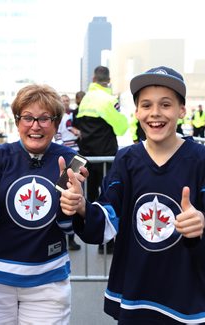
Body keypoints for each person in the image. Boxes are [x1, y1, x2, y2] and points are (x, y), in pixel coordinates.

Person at [59, 66, 205, 324]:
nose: (155, 113)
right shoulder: (127, 159)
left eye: (165, 104)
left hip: (186, 292)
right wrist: (83, 207)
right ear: (137, 112)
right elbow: (110, 214)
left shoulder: (202, 160)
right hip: (136, 289)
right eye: (146, 105)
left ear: (181, 110)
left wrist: (204, 224)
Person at [0, 84, 79, 324]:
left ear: (56, 123)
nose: (35, 125)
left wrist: (75, 204)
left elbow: (67, 226)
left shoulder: (71, 160)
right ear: (17, 121)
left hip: (48, 281)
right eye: (28, 118)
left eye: (45, 118)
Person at [76, 65, 128, 254]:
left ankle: (92, 234)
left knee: (89, 196)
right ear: (108, 79)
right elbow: (122, 128)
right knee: (109, 196)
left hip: (87, 157)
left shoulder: (86, 99)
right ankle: (107, 242)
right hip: (106, 156)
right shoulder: (109, 99)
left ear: (93, 78)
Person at [55, 95, 82, 251]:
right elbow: (60, 134)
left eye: (66, 101)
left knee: (72, 193)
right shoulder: (61, 118)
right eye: (62, 101)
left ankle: (70, 237)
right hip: (65, 153)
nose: (65, 103)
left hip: (74, 154)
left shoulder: (70, 115)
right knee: (63, 194)